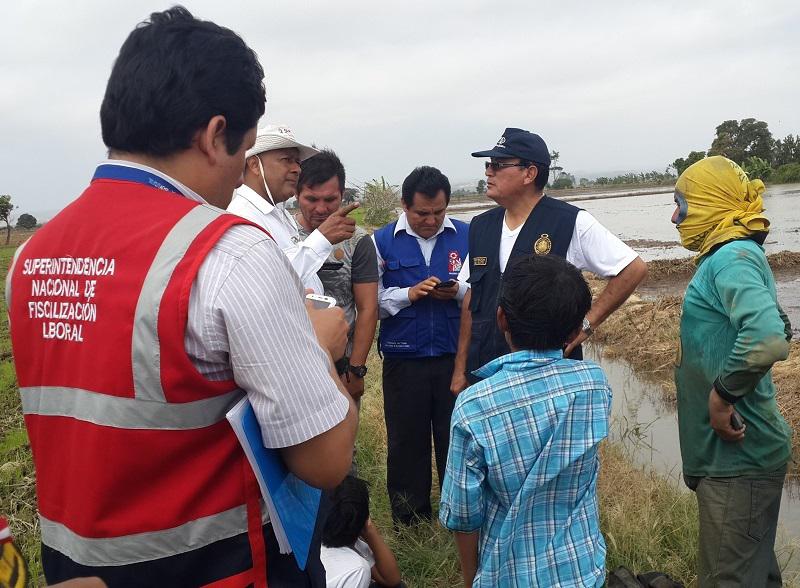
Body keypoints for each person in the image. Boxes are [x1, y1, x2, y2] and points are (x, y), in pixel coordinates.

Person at [6, 8, 357, 587]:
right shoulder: (229, 253)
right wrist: (319, 348)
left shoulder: (31, 257)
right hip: (216, 566)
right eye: (244, 151)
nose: (239, 175)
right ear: (215, 135)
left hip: (75, 568)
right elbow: (325, 461)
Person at [440, 254, 611, 588]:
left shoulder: (475, 405)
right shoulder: (594, 383)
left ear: (501, 318)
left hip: (508, 574)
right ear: (575, 329)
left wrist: (471, 578)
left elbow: (463, 513)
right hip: (582, 569)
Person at [671, 156, 792, 587]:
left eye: (681, 205)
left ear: (710, 203)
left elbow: (768, 337)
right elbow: (781, 325)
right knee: (754, 573)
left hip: (739, 461)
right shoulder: (735, 255)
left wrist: (722, 397)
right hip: (736, 460)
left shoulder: (731, 257)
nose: (674, 217)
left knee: (729, 579)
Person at [451, 127, 647, 392]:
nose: (488, 172)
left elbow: (633, 269)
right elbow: (471, 299)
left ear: (529, 173)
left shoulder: (570, 222)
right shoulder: (480, 226)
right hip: (487, 371)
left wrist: (586, 325)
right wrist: (460, 368)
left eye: (498, 164)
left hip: (549, 378)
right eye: (488, 164)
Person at [372, 166, 469, 525]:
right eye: (422, 213)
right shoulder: (381, 242)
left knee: (456, 438)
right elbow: (371, 303)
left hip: (454, 358)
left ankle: (459, 514)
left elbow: (484, 295)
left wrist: (457, 291)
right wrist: (408, 294)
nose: (431, 221)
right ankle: (410, 519)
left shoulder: (468, 237)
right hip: (404, 358)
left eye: (438, 212)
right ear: (404, 205)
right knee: (405, 440)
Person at [227, 124, 358, 293]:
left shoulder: (279, 214)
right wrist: (322, 239)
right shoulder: (243, 218)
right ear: (254, 165)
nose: (297, 169)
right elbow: (269, 283)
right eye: (287, 160)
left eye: (297, 162)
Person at [296, 150, 378, 401]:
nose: (321, 209)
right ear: (296, 194)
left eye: (330, 199)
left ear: (342, 195)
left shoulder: (357, 241)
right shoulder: (283, 235)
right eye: (311, 199)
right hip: (293, 364)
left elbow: (367, 308)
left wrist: (357, 368)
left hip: (341, 365)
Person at [320, 476, 403, 588]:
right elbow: (392, 581)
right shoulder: (356, 570)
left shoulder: (306, 536)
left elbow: (391, 579)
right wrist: (369, 529)